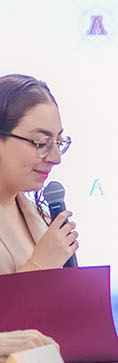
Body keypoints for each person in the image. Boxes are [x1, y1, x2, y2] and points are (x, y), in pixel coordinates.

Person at [0, 74, 78, 275]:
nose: (55, 157)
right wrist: (40, 264)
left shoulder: (41, 216)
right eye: (41, 143)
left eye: (59, 143)